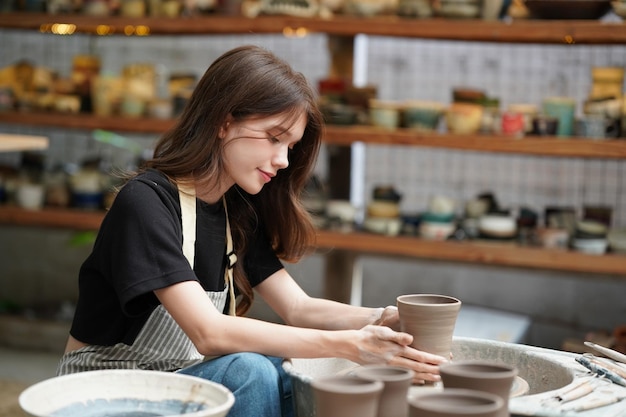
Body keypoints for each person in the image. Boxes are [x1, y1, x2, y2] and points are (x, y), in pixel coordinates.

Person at [57, 45, 447, 417]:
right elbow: (208, 333)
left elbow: (299, 308)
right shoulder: (146, 203)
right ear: (224, 122)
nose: (282, 160)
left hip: (174, 386)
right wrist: (350, 346)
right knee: (251, 370)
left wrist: (382, 320)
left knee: (293, 368)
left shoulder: (235, 210)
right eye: (274, 137)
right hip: (101, 393)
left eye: (291, 146)